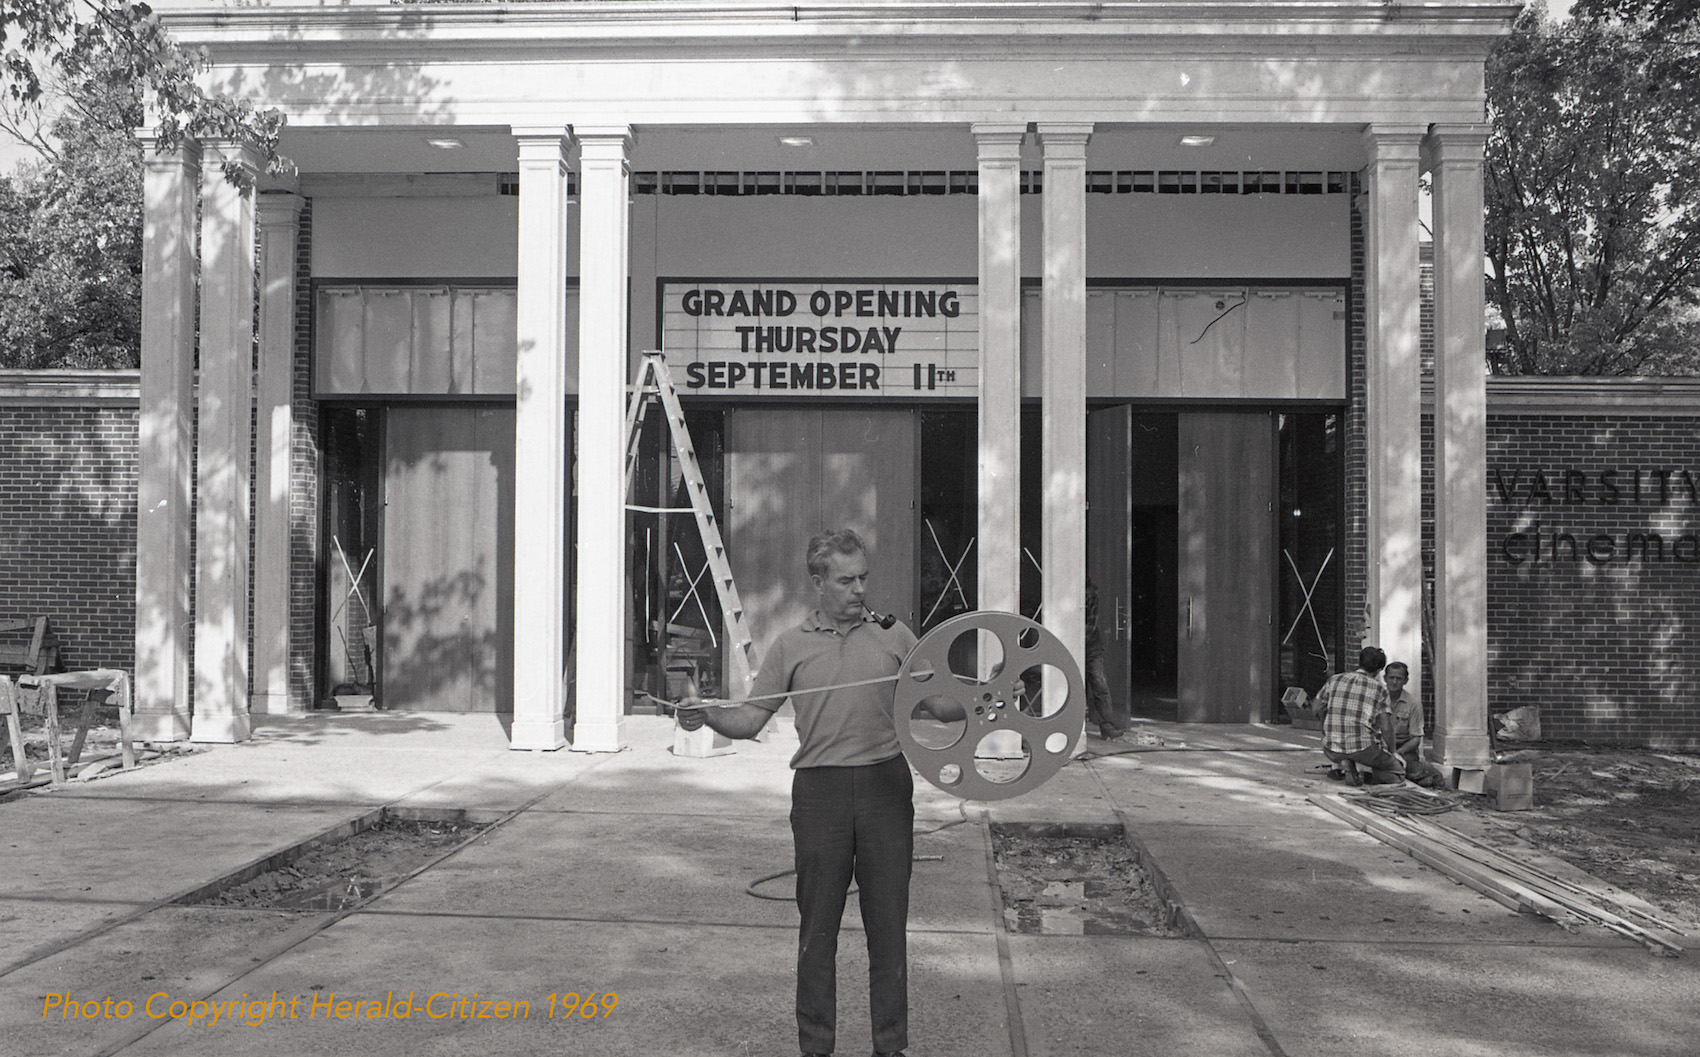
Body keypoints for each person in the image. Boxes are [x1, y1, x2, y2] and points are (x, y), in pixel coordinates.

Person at [679, 528, 921, 1057]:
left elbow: (939, 701)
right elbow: (749, 718)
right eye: (845, 580)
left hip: (885, 786)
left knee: (889, 928)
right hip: (820, 795)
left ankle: (892, 1045)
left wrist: (990, 689)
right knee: (817, 932)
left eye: (863, 578)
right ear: (818, 582)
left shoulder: (895, 635)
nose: (859, 590)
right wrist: (708, 716)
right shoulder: (791, 645)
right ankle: (816, 1046)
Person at [1314, 645, 1405, 785]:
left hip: (1331, 748)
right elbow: (1386, 728)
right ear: (1379, 670)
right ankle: (1364, 773)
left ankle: (1347, 764)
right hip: (1363, 749)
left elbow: (1316, 707)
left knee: (1356, 749)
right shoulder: (1379, 689)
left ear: (1360, 662)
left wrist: (1325, 727)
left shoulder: (1335, 679)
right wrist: (1393, 752)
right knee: (1397, 774)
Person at [1382, 661, 1445, 788]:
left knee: (1410, 768)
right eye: (1391, 678)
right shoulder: (1377, 698)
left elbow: (1416, 738)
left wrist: (1398, 753)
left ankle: (1429, 775)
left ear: (1405, 680)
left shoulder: (1413, 704)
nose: (1394, 682)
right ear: (1385, 679)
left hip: (1404, 749)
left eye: (1398, 679)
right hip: (1382, 747)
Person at [1084, 579, 1128, 740]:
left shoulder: (1091, 594)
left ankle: (1107, 727)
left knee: (1099, 686)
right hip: (1081, 644)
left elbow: (1091, 624)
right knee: (1094, 686)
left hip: (1090, 646)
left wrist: (1077, 641)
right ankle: (1101, 726)